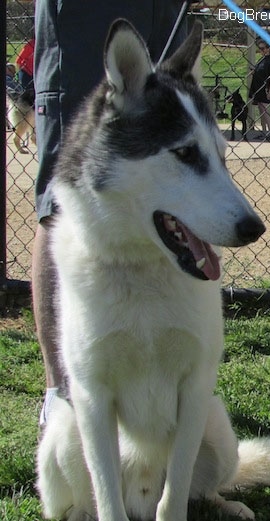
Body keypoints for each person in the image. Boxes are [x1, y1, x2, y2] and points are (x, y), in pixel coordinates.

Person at [33, 1, 189, 426]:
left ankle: (160, 399)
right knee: (67, 193)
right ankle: (64, 393)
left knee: (176, 186)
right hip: (90, 11)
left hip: (165, 8)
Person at [249, 38, 270, 140]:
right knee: (261, 109)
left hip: (266, 88)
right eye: (260, 49)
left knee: (265, 109)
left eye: (263, 48)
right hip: (258, 88)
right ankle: (264, 131)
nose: (261, 51)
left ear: (269, 48)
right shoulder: (262, 60)